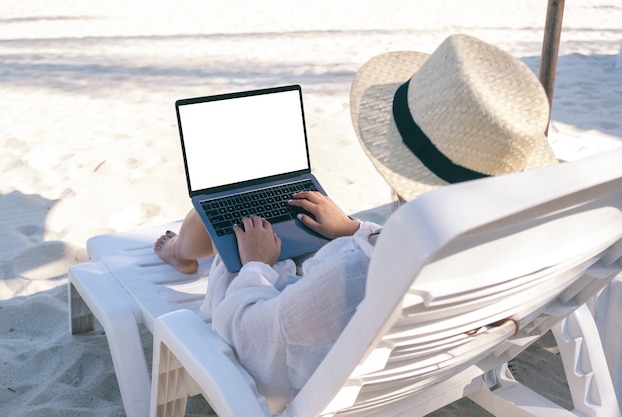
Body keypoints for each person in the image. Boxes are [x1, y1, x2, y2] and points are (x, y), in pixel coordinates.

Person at [154, 34, 558, 413]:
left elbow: (250, 339)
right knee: (253, 215)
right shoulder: (514, 248)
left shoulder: (353, 270)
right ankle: (191, 247)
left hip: (334, 376)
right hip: (437, 362)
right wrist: (352, 230)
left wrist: (258, 265)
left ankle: (179, 252)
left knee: (227, 218)